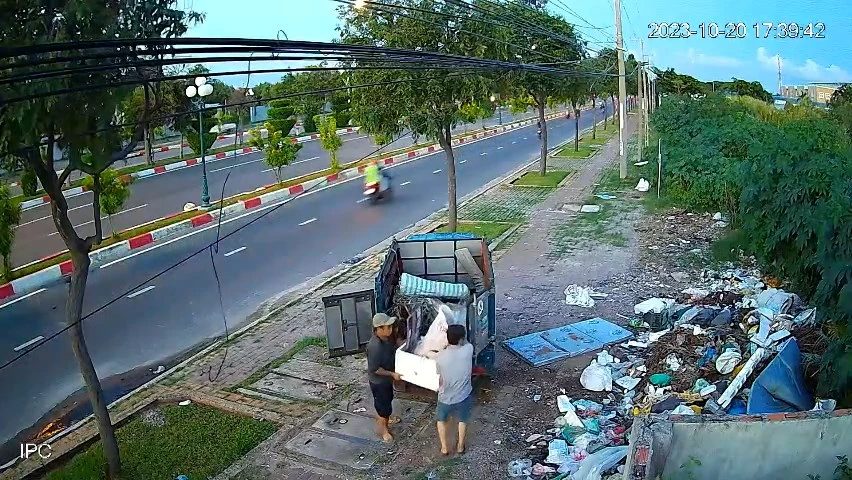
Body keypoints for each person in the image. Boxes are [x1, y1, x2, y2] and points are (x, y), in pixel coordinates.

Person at [434, 324, 474, 455]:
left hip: (445, 397)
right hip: (463, 395)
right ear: (462, 339)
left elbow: (439, 376)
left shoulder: (440, 357)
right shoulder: (468, 349)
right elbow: (466, 343)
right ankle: (460, 446)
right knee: (463, 420)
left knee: (441, 420)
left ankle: (444, 447)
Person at [367, 312, 401, 442]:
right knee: (382, 406)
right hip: (379, 382)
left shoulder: (387, 337)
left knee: (388, 400)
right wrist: (392, 374)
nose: (391, 329)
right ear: (379, 329)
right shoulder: (375, 346)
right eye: (388, 327)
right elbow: (376, 369)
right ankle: (384, 430)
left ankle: (386, 417)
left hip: (387, 380)